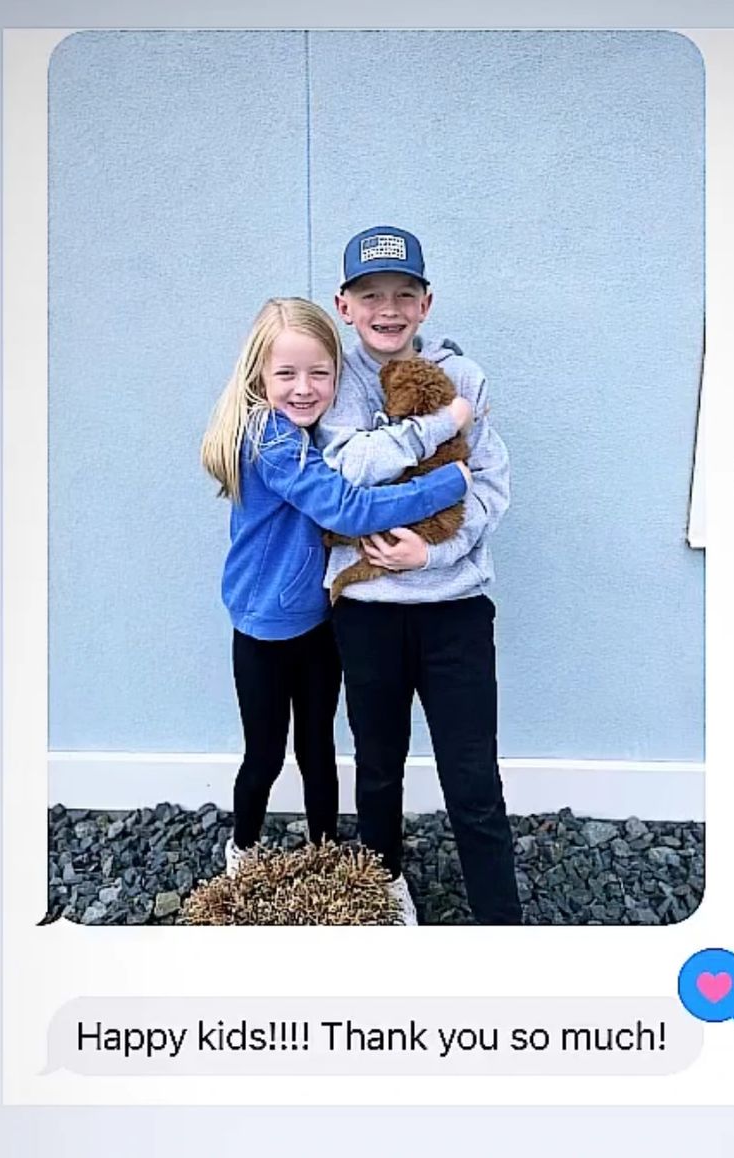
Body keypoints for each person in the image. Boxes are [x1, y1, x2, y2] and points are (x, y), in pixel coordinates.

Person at [200, 297, 473, 881]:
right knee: (265, 754)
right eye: (286, 374)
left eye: (319, 373)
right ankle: (243, 852)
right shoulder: (270, 440)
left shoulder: (311, 433)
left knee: (318, 748)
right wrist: (449, 481)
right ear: (258, 375)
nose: (304, 388)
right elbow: (348, 509)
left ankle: (323, 852)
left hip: (317, 619)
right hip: (265, 629)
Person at [317, 226, 523, 925]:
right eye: (371, 295)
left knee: (472, 776)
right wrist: (440, 426)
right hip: (367, 611)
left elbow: (489, 485)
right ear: (344, 305)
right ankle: (384, 898)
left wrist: (429, 555)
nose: (388, 309)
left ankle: (500, 921)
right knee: (378, 768)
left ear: (426, 304)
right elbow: (350, 470)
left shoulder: (464, 378)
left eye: (404, 294)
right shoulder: (333, 381)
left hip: (455, 609)